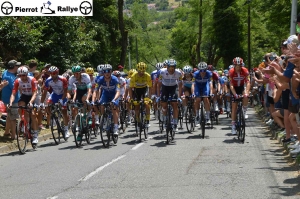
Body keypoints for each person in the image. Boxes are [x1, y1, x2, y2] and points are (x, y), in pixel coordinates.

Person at [9, 66, 39, 144]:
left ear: (27, 74)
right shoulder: (17, 81)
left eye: (23, 75)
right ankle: (24, 122)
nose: (22, 77)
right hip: (25, 95)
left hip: (33, 96)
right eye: (20, 75)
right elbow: (13, 93)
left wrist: (31, 102)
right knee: (20, 106)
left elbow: (35, 93)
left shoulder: (32, 80)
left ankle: (35, 134)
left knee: (32, 114)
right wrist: (11, 103)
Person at [41, 66, 70, 138]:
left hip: (62, 95)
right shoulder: (48, 80)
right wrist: (41, 103)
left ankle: (66, 129)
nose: (52, 75)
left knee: (64, 111)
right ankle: (53, 117)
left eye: (54, 73)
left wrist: (62, 99)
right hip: (54, 94)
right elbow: (44, 92)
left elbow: (66, 91)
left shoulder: (63, 79)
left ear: (57, 73)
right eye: (51, 73)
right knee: (48, 105)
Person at [93, 64, 120, 135]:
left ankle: (116, 127)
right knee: (101, 105)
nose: (107, 73)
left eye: (108, 71)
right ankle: (104, 120)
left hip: (114, 95)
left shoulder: (115, 79)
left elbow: (118, 91)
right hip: (105, 94)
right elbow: (96, 90)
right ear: (103, 72)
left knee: (114, 109)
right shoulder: (100, 79)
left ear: (111, 72)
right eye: (105, 71)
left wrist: (114, 100)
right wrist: (97, 99)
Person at [157, 59, 182, 131]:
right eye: (170, 68)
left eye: (173, 67)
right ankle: (165, 119)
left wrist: (179, 97)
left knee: (175, 104)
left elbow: (180, 85)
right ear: (167, 67)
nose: (171, 70)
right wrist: (159, 96)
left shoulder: (178, 73)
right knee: (164, 104)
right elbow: (159, 85)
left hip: (173, 88)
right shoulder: (162, 72)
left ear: (175, 67)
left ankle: (175, 122)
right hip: (165, 87)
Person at [229, 57, 250, 135]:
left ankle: (244, 111)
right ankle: (233, 126)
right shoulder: (231, 71)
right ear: (234, 65)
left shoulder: (245, 70)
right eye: (236, 66)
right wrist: (235, 94)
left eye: (240, 66)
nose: (238, 67)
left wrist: (247, 92)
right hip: (234, 88)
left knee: (245, 96)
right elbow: (231, 85)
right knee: (234, 107)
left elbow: (248, 82)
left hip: (241, 87)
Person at [1, 60, 21, 139]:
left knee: (10, 116)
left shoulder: (6, 72)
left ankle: (6, 132)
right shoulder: (9, 77)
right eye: (17, 66)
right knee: (13, 118)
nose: (18, 67)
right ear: (13, 67)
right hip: (12, 100)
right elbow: (15, 88)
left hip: (7, 98)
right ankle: (14, 135)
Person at [129, 62, 152, 128]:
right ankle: (138, 120)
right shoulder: (133, 76)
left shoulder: (148, 76)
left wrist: (149, 98)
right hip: (137, 90)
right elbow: (130, 88)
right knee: (136, 105)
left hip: (145, 90)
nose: (141, 73)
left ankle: (147, 120)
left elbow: (150, 87)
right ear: (137, 70)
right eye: (140, 71)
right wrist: (131, 98)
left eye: (143, 71)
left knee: (147, 104)